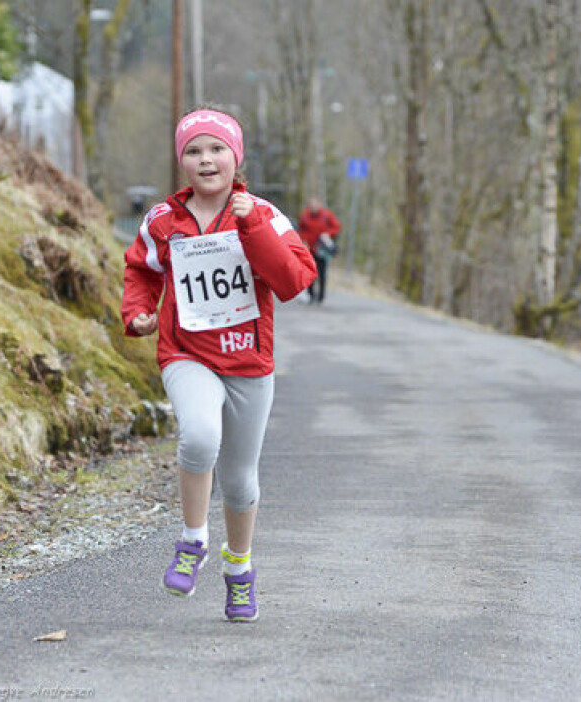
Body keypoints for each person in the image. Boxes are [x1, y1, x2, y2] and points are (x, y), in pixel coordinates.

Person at [121, 107, 317, 620]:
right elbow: (140, 270)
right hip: (186, 352)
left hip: (248, 360)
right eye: (193, 150)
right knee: (200, 436)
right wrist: (138, 312)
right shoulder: (162, 221)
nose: (205, 159)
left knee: (240, 481)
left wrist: (252, 227)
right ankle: (192, 540)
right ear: (181, 161)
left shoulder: (264, 214)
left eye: (216, 149)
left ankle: (240, 569)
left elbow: (294, 281)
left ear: (236, 157)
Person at [297, 197, 341, 304]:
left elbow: (336, 227)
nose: (313, 207)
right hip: (309, 249)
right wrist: (303, 240)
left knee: (322, 272)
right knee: (310, 272)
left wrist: (328, 234)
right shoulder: (305, 215)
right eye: (312, 205)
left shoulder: (326, 215)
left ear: (319, 205)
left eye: (315, 204)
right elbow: (300, 229)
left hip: (321, 249)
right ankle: (310, 294)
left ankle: (321, 296)